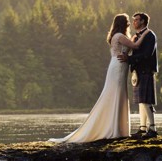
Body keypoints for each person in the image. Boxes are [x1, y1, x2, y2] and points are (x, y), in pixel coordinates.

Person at [50, 13, 149, 143]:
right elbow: (135, 46)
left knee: (119, 95)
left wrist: (135, 37)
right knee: (116, 94)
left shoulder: (119, 36)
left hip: (119, 66)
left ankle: (118, 129)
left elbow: (130, 46)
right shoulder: (119, 36)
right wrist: (145, 34)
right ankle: (114, 130)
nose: (129, 24)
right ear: (122, 24)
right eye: (127, 22)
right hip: (118, 67)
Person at [118, 12, 158, 139]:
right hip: (138, 72)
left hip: (146, 70)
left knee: (146, 101)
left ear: (143, 21)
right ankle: (142, 128)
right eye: (133, 20)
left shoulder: (150, 35)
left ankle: (153, 129)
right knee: (141, 101)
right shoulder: (137, 36)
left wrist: (129, 59)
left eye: (136, 20)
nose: (134, 22)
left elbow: (147, 54)